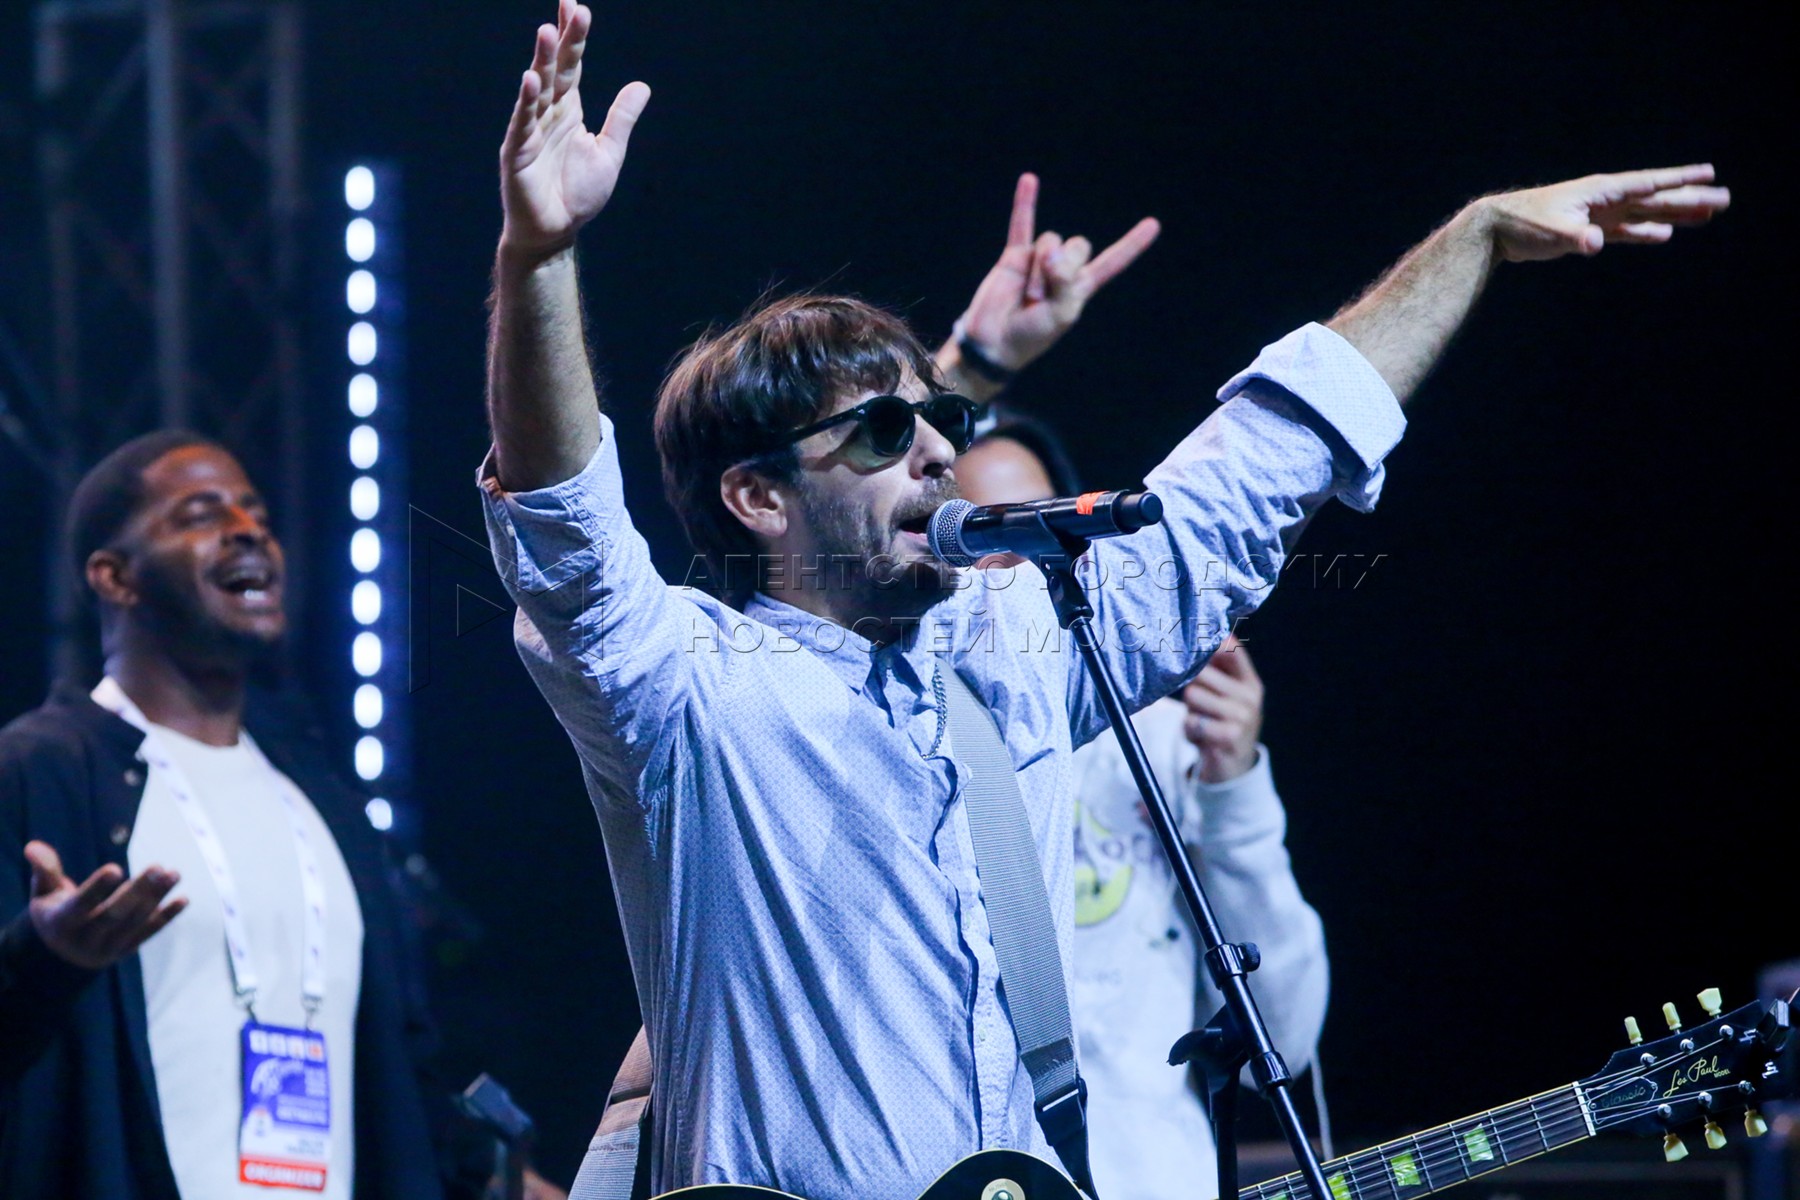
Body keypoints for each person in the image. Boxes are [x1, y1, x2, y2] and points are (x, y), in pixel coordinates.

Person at [480, 2, 1726, 1192]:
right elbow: (564, 516)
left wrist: (1473, 240)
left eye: (942, 421)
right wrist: (540, 254)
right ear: (757, 497)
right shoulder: (689, 693)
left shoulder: (1014, 651)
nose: (938, 453)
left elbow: (1252, 473)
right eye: (883, 433)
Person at [0, 431, 444, 1200]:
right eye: (202, 515)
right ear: (115, 576)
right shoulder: (39, 772)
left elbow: (402, 1053)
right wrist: (42, 961)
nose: (248, 531)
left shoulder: (321, 796)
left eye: (257, 514)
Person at [956, 412, 1328, 1199]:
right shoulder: (913, 755)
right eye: (983, 540)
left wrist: (1232, 783)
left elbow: (1284, 1040)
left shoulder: (1159, 739)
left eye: (1034, 535)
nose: (1011, 574)